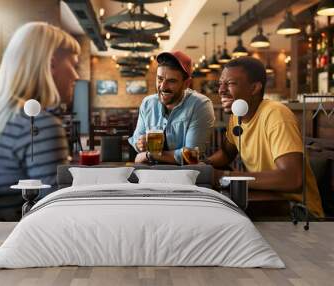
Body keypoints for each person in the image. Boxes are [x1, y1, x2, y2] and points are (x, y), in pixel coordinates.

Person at [0, 22, 80, 221]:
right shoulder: (39, 125)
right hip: (20, 239)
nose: (76, 76)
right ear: (51, 65)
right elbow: (57, 212)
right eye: (73, 65)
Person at [206, 56, 324, 217]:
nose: (221, 90)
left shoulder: (276, 114)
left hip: (299, 212)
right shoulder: (237, 117)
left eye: (230, 83)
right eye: (220, 84)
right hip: (268, 201)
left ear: (254, 88)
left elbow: (292, 179)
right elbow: (226, 153)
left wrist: (224, 177)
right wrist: (201, 166)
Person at [128, 51, 215, 165]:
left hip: (187, 177)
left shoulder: (200, 105)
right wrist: (140, 144)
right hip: (150, 175)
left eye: (171, 81)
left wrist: (149, 155)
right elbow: (136, 140)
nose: (163, 86)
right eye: (160, 79)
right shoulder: (148, 103)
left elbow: (191, 156)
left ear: (186, 84)